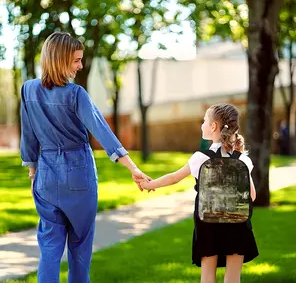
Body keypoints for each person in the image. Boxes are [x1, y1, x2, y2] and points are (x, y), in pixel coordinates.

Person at [20, 32, 150, 283]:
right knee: (79, 247)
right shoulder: (75, 94)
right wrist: (132, 167)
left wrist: (33, 172)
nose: (80, 66)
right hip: (78, 174)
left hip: (45, 176)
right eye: (76, 60)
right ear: (60, 60)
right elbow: (102, 131)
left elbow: (28, 136)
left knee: (49, 247)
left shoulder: (28, 90)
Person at [141, 103, 259, 283]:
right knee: (233, 278)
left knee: (207, 277)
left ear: (213, 127)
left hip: (208, 225)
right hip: (237, 224)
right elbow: (252, 195)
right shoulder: (243, 159)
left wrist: (150, 185)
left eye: (204, 121)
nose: (202, 125)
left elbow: (174, 178)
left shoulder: (201, 158)